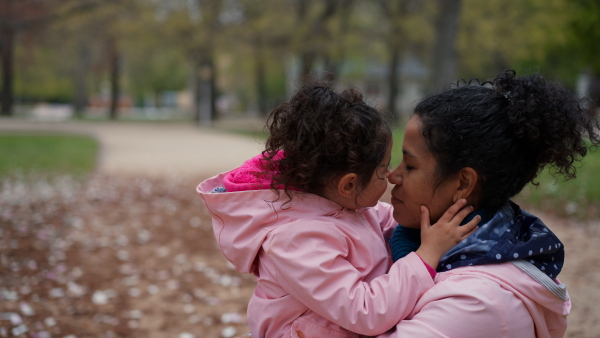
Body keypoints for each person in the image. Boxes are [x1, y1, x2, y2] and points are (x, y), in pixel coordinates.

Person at [197, 79, 478, 338]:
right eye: (382, 170)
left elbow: (389, 220)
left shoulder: (350, 206)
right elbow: (366, 312)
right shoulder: (295, 241)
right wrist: (427, 254)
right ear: (348, 184)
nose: (391, 176)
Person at [380, 70, 599, 337]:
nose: (393, 175)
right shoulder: (414, 234)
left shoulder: (479, 303)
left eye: (410, 165)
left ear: (463, 184)